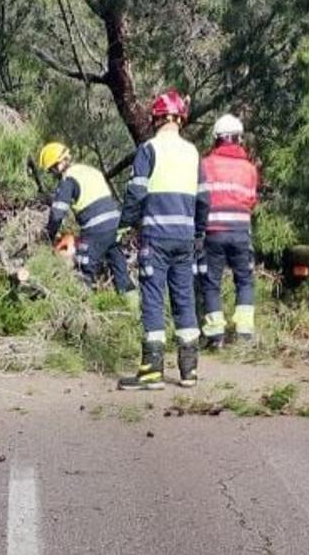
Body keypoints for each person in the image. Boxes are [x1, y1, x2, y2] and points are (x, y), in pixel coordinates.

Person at [117, 90, 201, 390]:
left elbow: (137, 191)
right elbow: (202, 198)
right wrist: (198, 232)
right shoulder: (192, 153)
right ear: (181, 119)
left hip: (156, 236)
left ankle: (152, 371)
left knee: (152, 298)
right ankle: (189, 371)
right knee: (184, 299)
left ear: (155, 118)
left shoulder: (149, 149)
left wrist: (125, 224)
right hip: (185, 238)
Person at [37, 142, 136, 301]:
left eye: (51, 170)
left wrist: (47, 236)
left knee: (84, 270)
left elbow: (57, 214)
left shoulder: (68, 180)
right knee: (119, 268)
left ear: (58, 164)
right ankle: (132, 311)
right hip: (115, 225)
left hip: (97, 228)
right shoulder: (89, 170)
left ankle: (84, 315)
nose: (52, 174)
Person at [196, 113, 259, 348]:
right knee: (244, 280)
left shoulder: (204, 164)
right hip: (241, 231)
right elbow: (251, 200)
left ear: (216, 139)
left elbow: (199, 198)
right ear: (239, 139)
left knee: (211, 282)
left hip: (213, 232)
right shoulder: (249, 169)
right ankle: (244, 333)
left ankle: (215, 335)